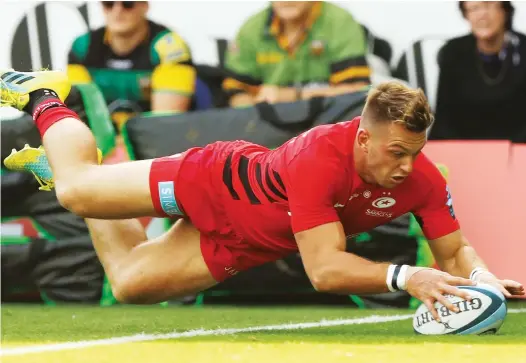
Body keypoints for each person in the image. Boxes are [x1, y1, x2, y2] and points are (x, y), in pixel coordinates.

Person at [2, 68, 523, 321]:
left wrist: (479, 280)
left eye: (415, 151)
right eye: (396, 153)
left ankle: (68, 160)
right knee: (74, 193)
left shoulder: (424, 179)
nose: (407, 166)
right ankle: (46, 97)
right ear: (363, 137)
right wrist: (410, 277)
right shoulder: (321, 157)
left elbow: (453, 251)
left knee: (129, 284)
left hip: (249, 242)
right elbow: (323, 270)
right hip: (211, 182)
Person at [67, 1, 196, 128]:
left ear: (145, 6)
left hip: (152, 141)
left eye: (128, 3)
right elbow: (79, 115)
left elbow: (164, 123)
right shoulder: (83, 46)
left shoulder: (170, 48)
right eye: (109, 3)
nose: (117, 10)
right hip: (102, 142)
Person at [222, 1, 371, 107]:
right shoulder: (251, 30)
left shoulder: (339, 22)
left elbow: (357, 91)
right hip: (273, 130)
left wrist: (288, 95)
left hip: (329, 122)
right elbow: (235, 94)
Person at [430, 1, 526, 142]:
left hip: (518, 149)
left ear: (504, 10)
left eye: (488, 5)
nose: (482, 15)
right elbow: (444, 118)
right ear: (466, 15)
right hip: (464, 149)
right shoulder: (453, 51)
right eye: (474, 8)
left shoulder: (522, 48)